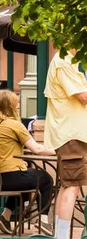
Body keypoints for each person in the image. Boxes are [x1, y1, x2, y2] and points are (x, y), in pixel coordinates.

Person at [0, 90, 54, 235]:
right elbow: (37, 149)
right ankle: (43, 221)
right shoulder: (13, 125)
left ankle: (5, 217)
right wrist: (59, 151)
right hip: (8, 179)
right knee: (45, 179)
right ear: (11, 107)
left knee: (25, 176)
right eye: (16, 104)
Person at [44, 48, 87, 239]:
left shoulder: (68, 60)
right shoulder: (64, 62)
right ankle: (61, 236)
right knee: (73, 185)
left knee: (68, 184)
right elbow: (83, 96)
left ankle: (59, 236)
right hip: (72, 135)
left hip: (72, 134)